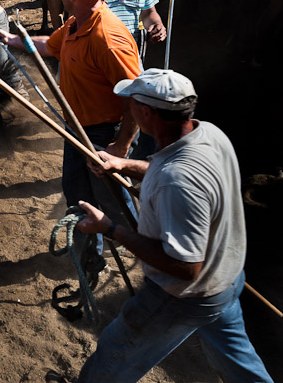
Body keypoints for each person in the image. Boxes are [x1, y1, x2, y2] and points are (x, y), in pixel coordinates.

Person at [74, 69, 273, 383]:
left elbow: (184, 266)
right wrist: (122, 164)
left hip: (184, 296)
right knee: (239, 364)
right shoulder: (208, 133)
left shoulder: (177, 182)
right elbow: (164, 168)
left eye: (132, 104)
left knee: (116, 353)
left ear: (146, 112)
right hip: (225, 279)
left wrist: (110, 228)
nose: (129, 110)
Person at [0, 0, 141, 275]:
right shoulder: (75, 24)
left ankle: (147, 251)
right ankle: (89, 254)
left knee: (112, 199)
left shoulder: (108, 39)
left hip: (106, 134)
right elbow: (50, 45)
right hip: (77, 128)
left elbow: (136, 101)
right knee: (76, 191)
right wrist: (13, 41)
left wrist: (121, 147)